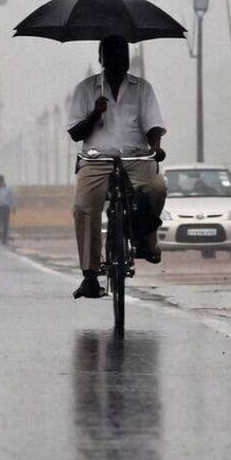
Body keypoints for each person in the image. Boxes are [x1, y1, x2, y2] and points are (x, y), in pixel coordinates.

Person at [65, 36, 168, 300]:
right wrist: (94, 115)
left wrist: (155, 147)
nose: (117, 59)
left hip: (136, 157)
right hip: (96, 159)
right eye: (111, 54)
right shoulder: (85, 89)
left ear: (128, 57)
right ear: (101, 58)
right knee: (83, 207)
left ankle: (145, 241)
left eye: (122, 54)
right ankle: (90, 275)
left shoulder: (142, 88)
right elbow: (75, 134)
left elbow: (153, 124)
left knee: (157, 187)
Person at [0, 176, 15, 245]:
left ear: (2, 181)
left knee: (5, 224)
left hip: (6, 208)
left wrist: (13, 207)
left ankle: (4, 239)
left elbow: (11, 199)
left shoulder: (8, 189)